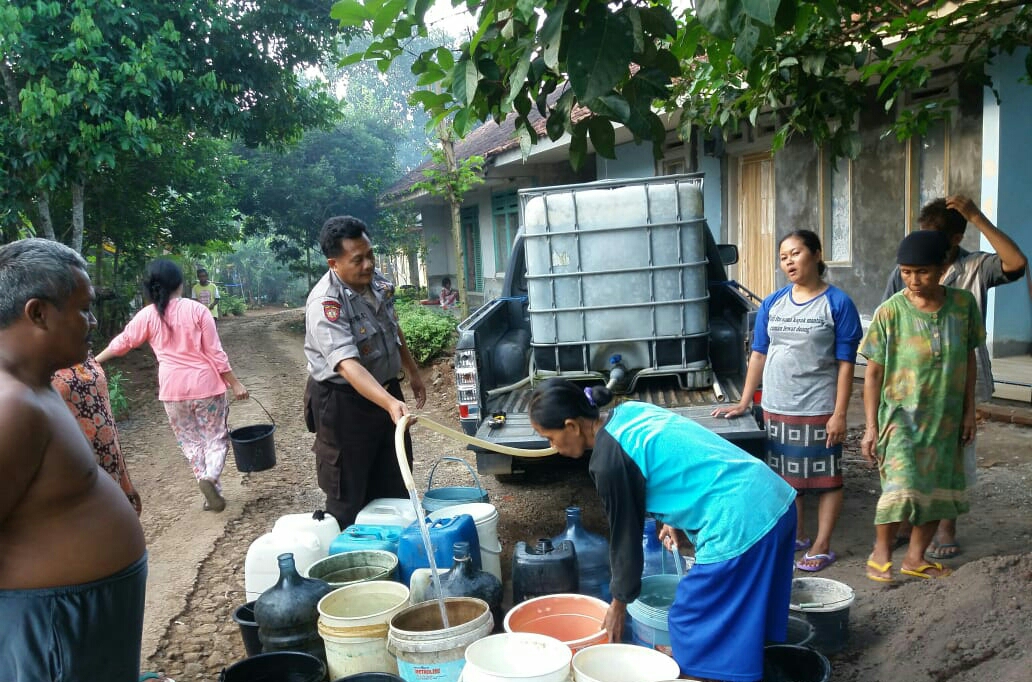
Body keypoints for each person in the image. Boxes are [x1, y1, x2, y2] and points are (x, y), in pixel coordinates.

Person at [529, 378, 797, 682]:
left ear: (572, 426)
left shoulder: (609, 462)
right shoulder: (628, 412)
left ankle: (705, 675)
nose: (551, 447)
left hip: (742, 522)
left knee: (689, 620)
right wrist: (675, 517)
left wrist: (619, 604)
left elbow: (624, 539)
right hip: (772, 497)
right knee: (744, 618)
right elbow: (680, 455)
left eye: (549, 437)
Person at [0, 238, 147, 682]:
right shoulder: (11, 405)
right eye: (82, 308)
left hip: (76, 617)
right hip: (55, 626)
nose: (93, 321)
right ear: (38, 313)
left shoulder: (37, 386)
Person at [883, 195, 1027, 560]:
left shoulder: (976, 267)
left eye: (934, 237)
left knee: (952, 454)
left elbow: (1017, 263)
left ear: (956, 240)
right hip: (909, 384)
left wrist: (977, 216)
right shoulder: (907, 268)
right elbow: (888, 328)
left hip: (957, 381)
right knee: (907, 454)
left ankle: (945, 526)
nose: (923, 246)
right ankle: (906, 523)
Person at [713, 230, 862, 573]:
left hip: (819, 407)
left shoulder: (837, 303)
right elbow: (759, 354)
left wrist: (839, 414)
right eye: (783, 257)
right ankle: (799, 535)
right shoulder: (773, 302)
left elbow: (845, 365)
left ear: (815, 254)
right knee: (786, 479)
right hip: (778, 407)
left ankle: (823, 546)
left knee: (826, 479)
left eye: (796, 253)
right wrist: (744, 401)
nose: (789, 262)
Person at [861, 230, 983, 582]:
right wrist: (871, 427)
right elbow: (872, 376)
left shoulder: (963, 306)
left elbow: (968, 360)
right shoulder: (890, 313)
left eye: (922, 272)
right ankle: (880, 553)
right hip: (900, 418)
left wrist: (968, 411)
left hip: (945, 419)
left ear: (944, 267)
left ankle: (915, 558)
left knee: (937, 490)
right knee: (899, 485)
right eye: (906, 272)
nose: (913, 280)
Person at [96, 259, 249, 512]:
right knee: (215, 438)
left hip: (172, 390)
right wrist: (234, 383)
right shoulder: (198, 310)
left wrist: (93, 362)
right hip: (207, 386)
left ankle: (208, 486)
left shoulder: (147, 315)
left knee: (190, 442)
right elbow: (215, 352)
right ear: (180, 283)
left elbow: (123, 342)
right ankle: (211, 478)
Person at [304, 215, 427, 528]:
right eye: (357, 259)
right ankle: (352, 563)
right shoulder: (326, 303)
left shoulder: (377, 283)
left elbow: (392, 328)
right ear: (334, 263)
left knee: (396, 479)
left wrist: (411, 371)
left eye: (370, 254)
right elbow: (347, 365)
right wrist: (388, 403)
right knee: (349, 492)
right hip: (344, 404)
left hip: (385, 391)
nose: (368, 264)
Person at [52, 353, 143, 515]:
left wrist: (125, 481)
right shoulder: (34, 367)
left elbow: (108, 420)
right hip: (77, 477)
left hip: (111, 466)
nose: (92, 325)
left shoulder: (84, 353)